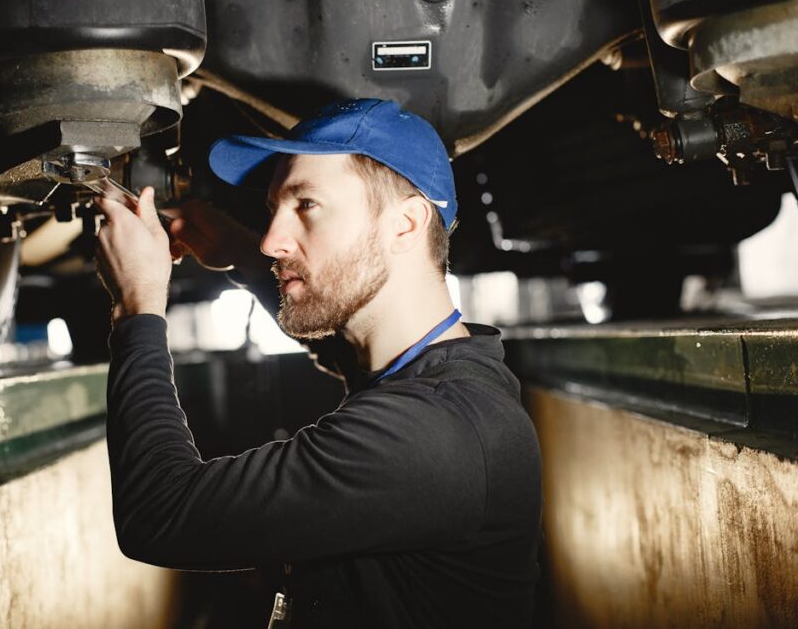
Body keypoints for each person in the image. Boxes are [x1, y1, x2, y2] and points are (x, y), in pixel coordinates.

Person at [93, 99, 542, 628]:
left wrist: (137, 307)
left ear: (405, 224)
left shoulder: (432, 433)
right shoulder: (446, 376)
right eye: (273, 209)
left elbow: (159, 512)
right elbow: (346, 350)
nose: (271, 241)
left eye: (306, 204)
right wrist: (235, 251)